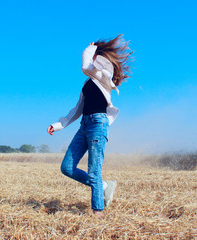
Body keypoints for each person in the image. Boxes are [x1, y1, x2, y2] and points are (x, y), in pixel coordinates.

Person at [47, 34, 133, 217]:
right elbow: (76, 109)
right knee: (67, 167)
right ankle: (104, 186)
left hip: (98, 124)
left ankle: (97, 215)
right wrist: (57, 125)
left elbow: (86, 67)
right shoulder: (87, 83)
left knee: (94, 171)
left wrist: (90, 49)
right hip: (84, 125)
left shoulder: (104, 78)